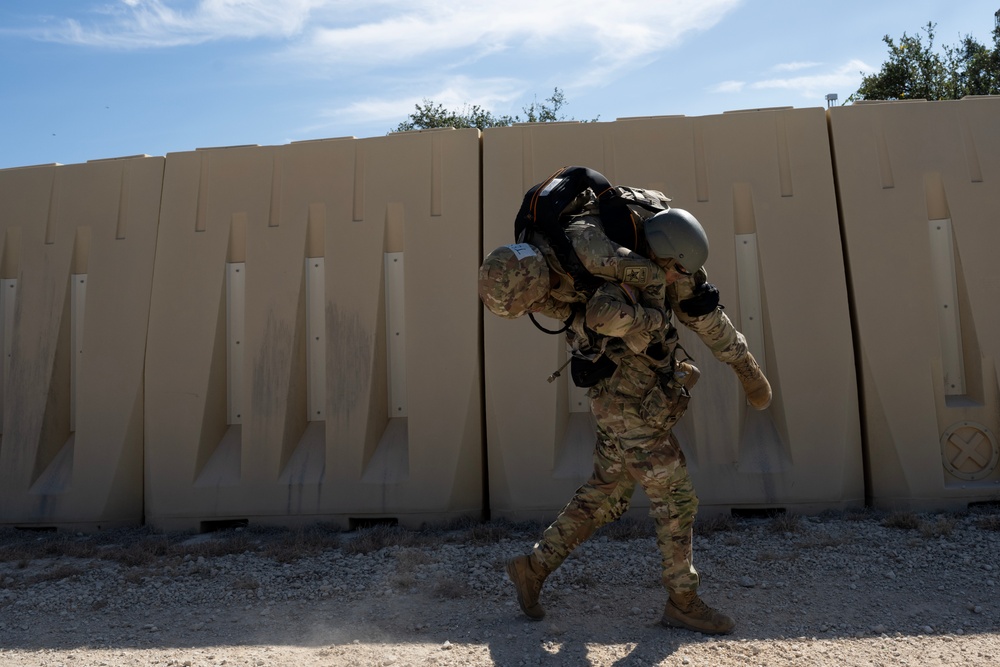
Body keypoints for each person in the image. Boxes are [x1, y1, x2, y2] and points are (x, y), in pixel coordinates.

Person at [479, 192, 771, 635]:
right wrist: (640, 322)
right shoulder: (574, 263)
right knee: (675, 495)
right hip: (625, 396)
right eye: (673, 271)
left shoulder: (654, 256)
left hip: (619, 391)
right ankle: (683, 602)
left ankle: (532, 569)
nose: (675, 279)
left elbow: (703, 313)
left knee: (607, 493)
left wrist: (744, 366)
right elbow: (587, 314)